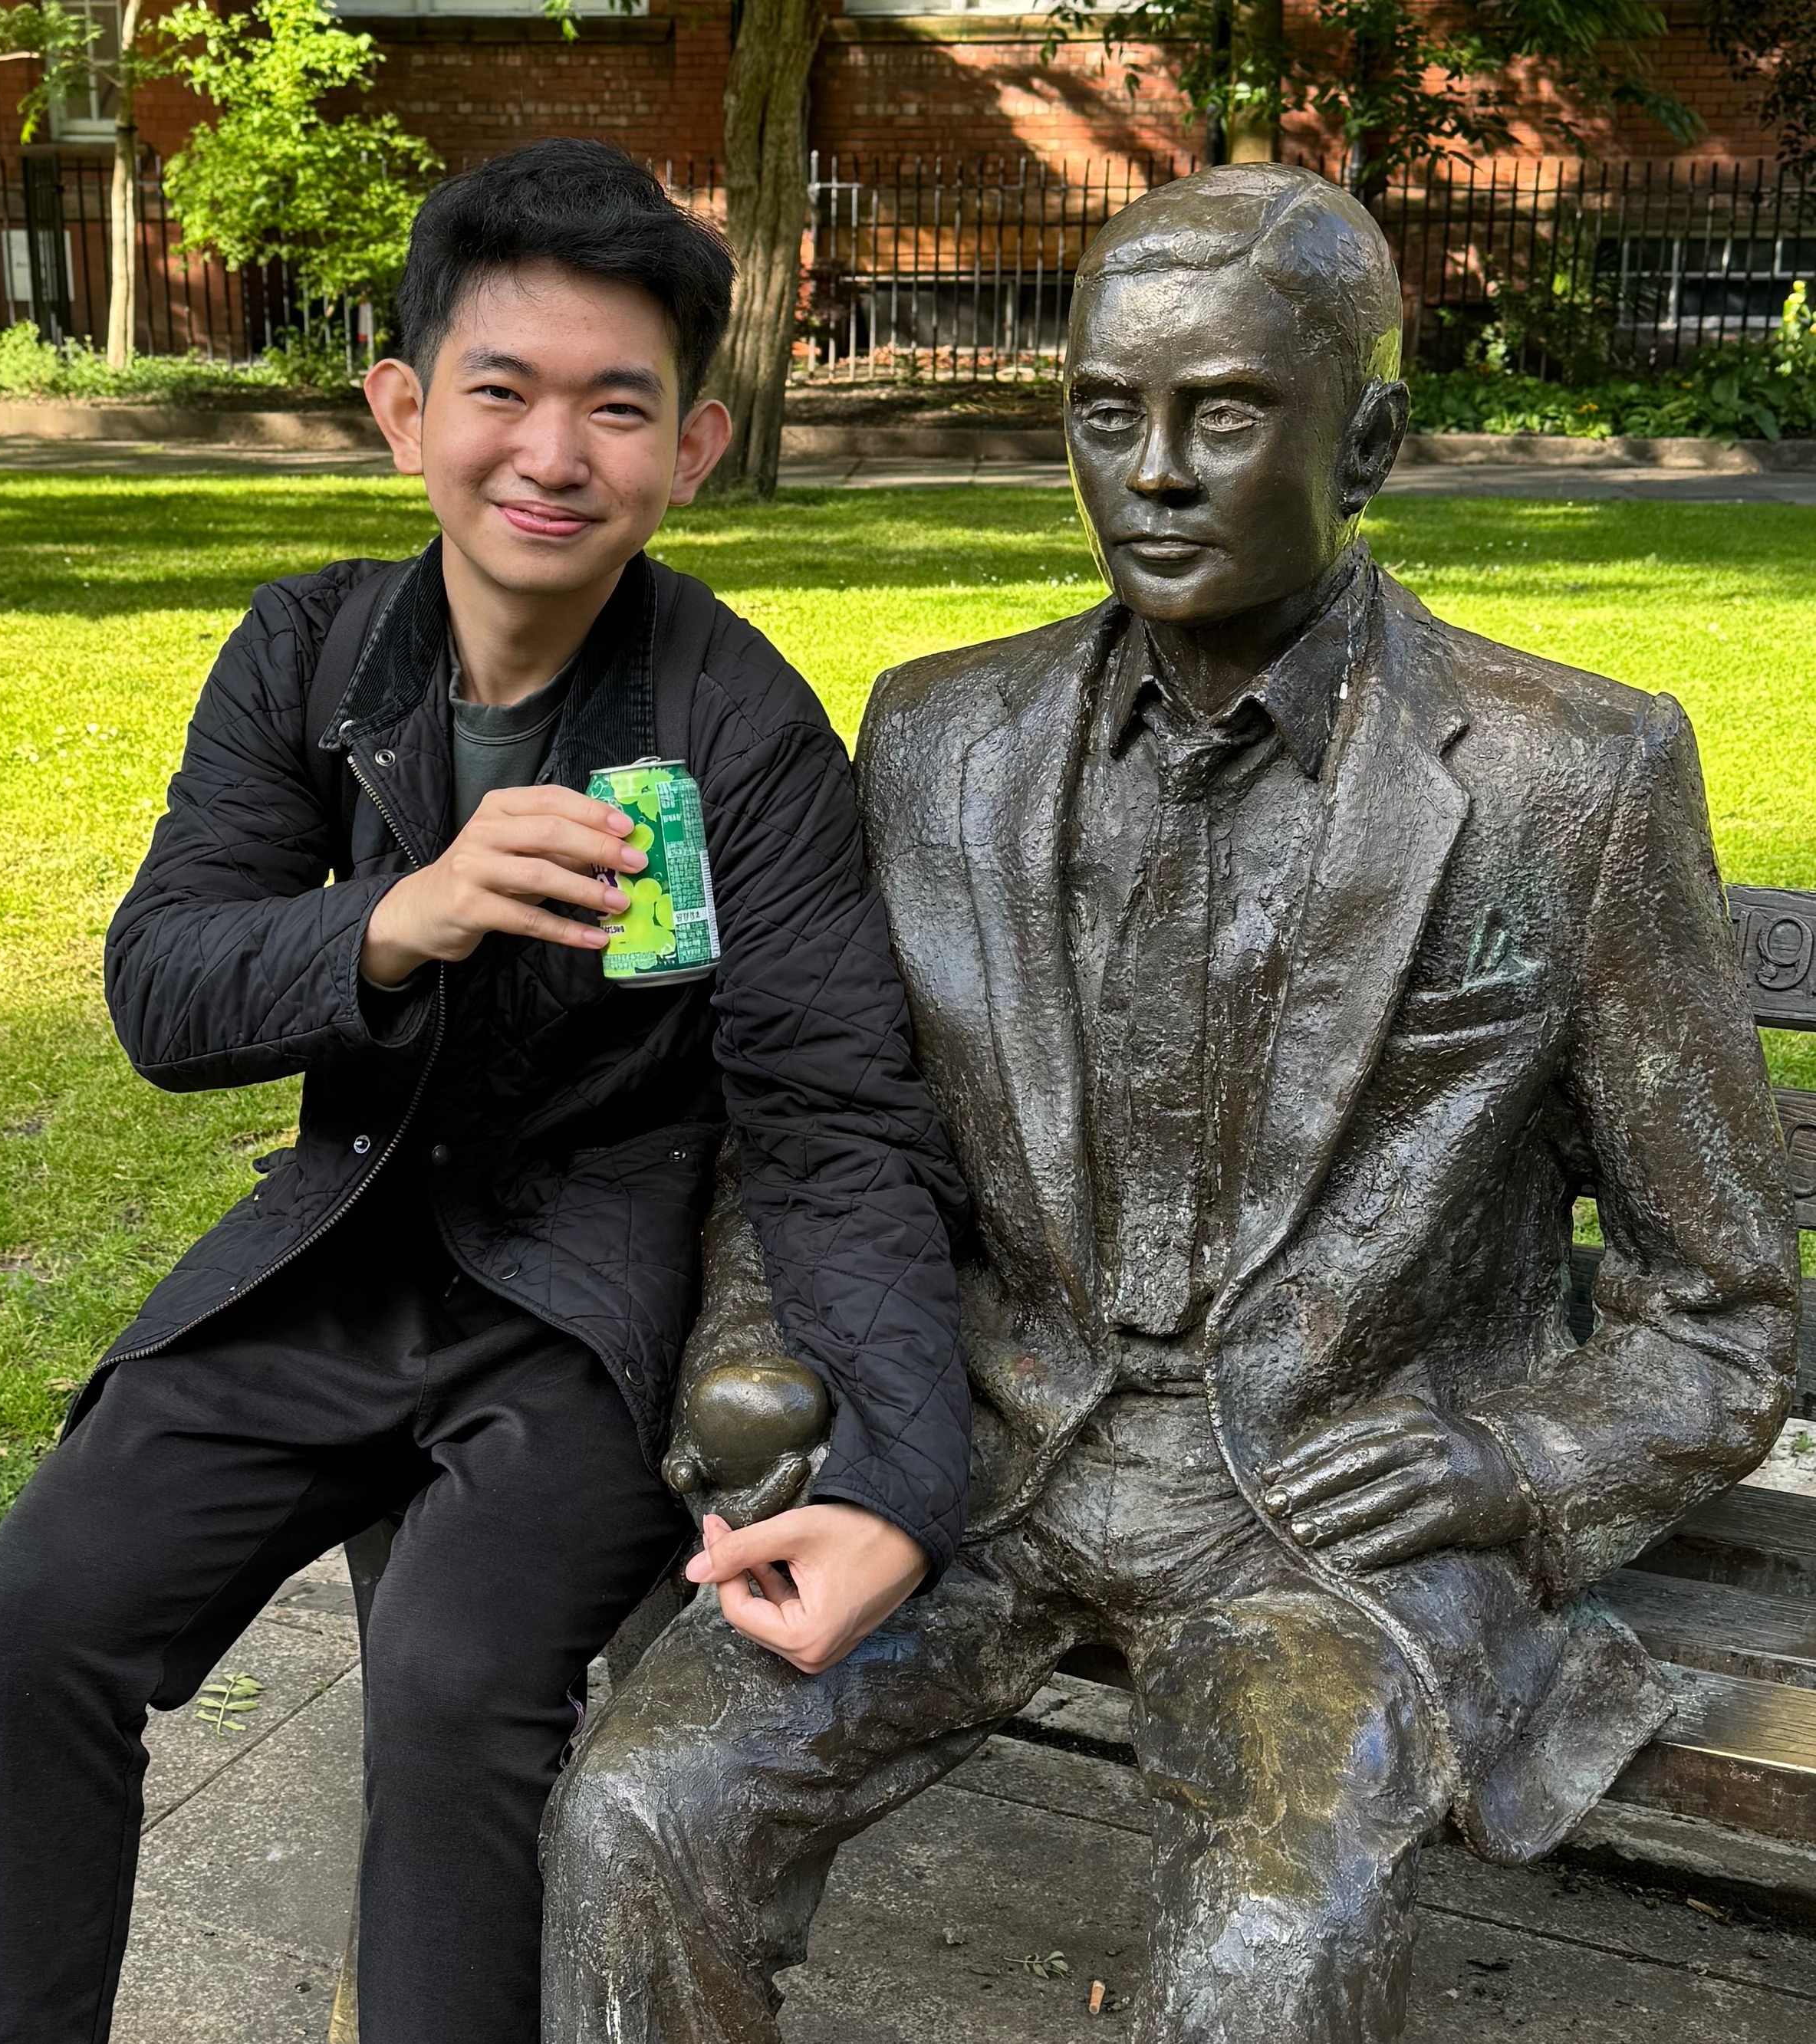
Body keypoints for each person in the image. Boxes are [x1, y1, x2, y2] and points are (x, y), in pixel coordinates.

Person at [541, 165, 1799, 2044]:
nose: (1152, 469)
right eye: (1105, 411)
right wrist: (765, 1372)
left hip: (1328, 1527)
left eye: (1223, 414)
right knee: (636, 1810)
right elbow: (814, 1145)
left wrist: (1514, 1461)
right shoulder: (939, 737)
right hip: (969, 1466)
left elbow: (1722, 1306)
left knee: (1261, 1955)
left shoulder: (1571, 780)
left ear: (1365, 439)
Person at [0, 139, 970, 2044]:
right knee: (41, 1618)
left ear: (695, 450)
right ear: (405, 409)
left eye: (614, 408)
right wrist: (392, 917)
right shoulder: (309, 654)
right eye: (501, 390)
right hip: (339, 1246)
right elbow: (161, 986)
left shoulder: (736, 721)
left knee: (455, 1673)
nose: (551, 453)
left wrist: (899, 1472)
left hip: (582, 1297)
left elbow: (833, 1115)